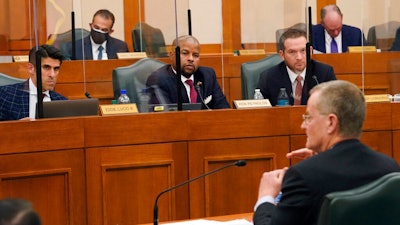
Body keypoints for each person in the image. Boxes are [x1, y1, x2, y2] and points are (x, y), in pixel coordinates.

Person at [253, 80, 400, 225]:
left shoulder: (303, 176)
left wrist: (265, 198)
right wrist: (320, 159)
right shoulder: (389, 168)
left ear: (331, 122)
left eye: (308, 117)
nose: (303, 125)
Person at [146, 35, 230, 110]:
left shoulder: (207, 75)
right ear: (172, 55)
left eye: (195, 55)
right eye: (185, 53)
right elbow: (163, 118)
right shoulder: (159, 79)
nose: (191, 59)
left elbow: (224, 110)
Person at [257, 29, 336, 106]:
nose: (299, 57)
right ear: (282, 55)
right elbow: (260, 112)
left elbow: (336, 106)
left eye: (303, 50)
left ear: (310, 51)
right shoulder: (269, 77)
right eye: (292, 52)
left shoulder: (324, 73)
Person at [0, 45, 67, 121]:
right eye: (46, 67)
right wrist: (16, 128)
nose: (52, 74)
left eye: (56, 69)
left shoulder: (62, 101)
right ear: (31, 68)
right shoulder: (4, 95)